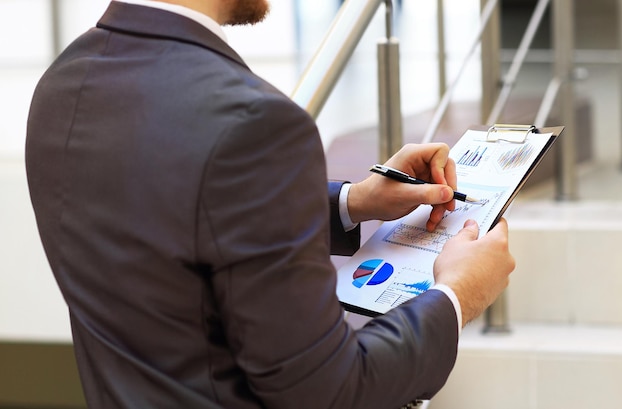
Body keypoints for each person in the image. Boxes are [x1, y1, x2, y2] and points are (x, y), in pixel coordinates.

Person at [25, 1, 514, 408]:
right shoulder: (254, 120)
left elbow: (165, 212)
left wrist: (351, 202)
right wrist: (458, 295)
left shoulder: (63, 84)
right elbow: (331, 391)